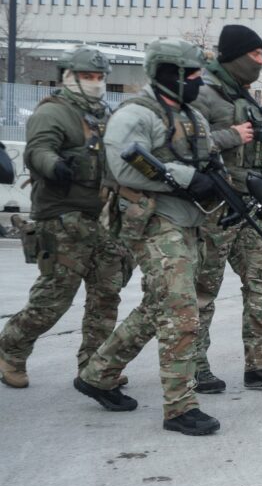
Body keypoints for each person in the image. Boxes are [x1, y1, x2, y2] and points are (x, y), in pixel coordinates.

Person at [75, 38, 221, 435]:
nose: (197, 81)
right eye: (191, 75)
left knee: (159, 306)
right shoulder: (136, 114)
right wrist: (193, 178)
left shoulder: (191, 115)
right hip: (152, 221)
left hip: (187, 220)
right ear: (169, 74)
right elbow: (125, 169)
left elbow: (207, 156)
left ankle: (98, 373)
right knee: (180, 311)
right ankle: (179, 406)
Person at [0, 47, 128, 390]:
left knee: (106, 294)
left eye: (100, 78)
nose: (96, 83)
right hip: (61, 218)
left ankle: (95, 364)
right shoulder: (54, 112)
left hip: (100, 217)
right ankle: (10, 350)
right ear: (68, 76)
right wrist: (54, 165)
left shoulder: (102, 113)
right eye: (89, 77)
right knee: (53, 298)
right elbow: (37, 149)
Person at [188, 25, 262, 393]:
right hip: (214, 209)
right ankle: (194, 366)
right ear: (235, 57)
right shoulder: (204, 94)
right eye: (255, 55)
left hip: (249, 207)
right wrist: (229, 136)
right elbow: (182, 143)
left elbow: (260, 149)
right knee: (203, 290)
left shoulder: (244, 96)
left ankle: (260, 363)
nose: (261, 62)